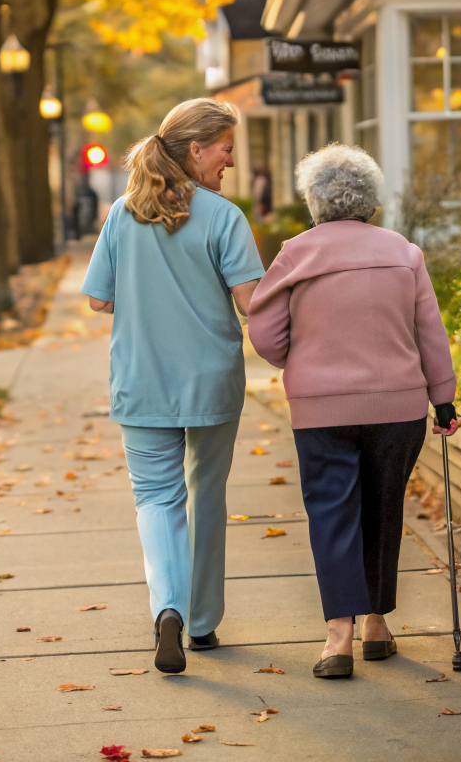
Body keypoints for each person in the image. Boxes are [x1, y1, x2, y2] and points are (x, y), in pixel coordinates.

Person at [247, 144, 458, 679]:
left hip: (321, 407)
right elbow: (430, 333)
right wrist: (444, 398)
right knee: (384, 510)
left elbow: (264, 329)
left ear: (314, 201)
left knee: (332, 513)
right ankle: (376, 626)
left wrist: (301, 359)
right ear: (370, 200)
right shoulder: (404, 253)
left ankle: (338, 637)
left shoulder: (296, 253)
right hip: (398, 407)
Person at [81, 98, 266, 675]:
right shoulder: (224, 217)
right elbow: (252, 303)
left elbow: (99, 298)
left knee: (157, 500)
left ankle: (169, 609)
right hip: (210, 381)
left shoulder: (120, 214)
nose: (230, 161)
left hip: (142, 380)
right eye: (225, 148)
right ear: (195, 150)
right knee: (207, 495)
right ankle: (204, 620)